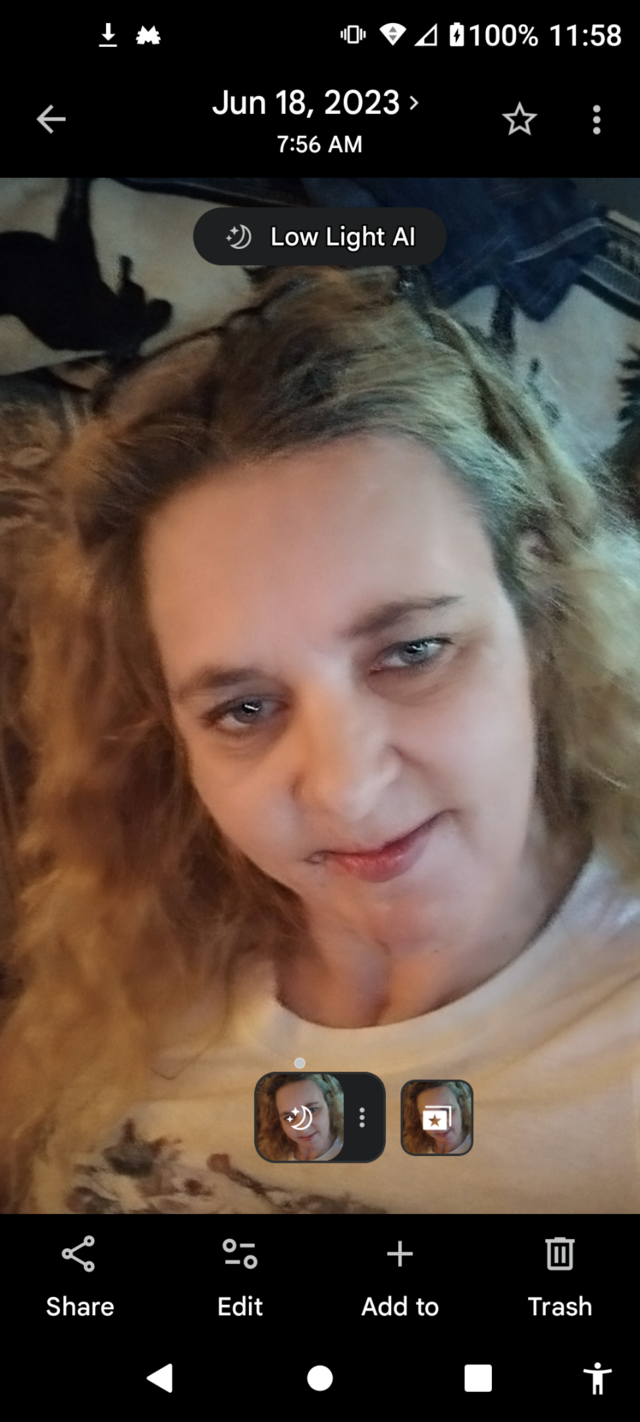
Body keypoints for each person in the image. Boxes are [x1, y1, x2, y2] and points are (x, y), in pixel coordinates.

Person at [1, 264, 640, 1214]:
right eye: (244, 710)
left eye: (413, 652)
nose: (345, 789)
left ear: (538, 602)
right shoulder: (133, 959)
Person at [256, 1073, 344, 1162]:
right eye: (289, 1117)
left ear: (329, 1103)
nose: (304, 1129)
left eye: (312, 1109)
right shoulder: (274, 1153)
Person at [402, 1080, 472, 1155]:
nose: (440, 1128)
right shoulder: (414, 1147)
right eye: (428, 1116)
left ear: (461, 1105)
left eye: (446, 1111)